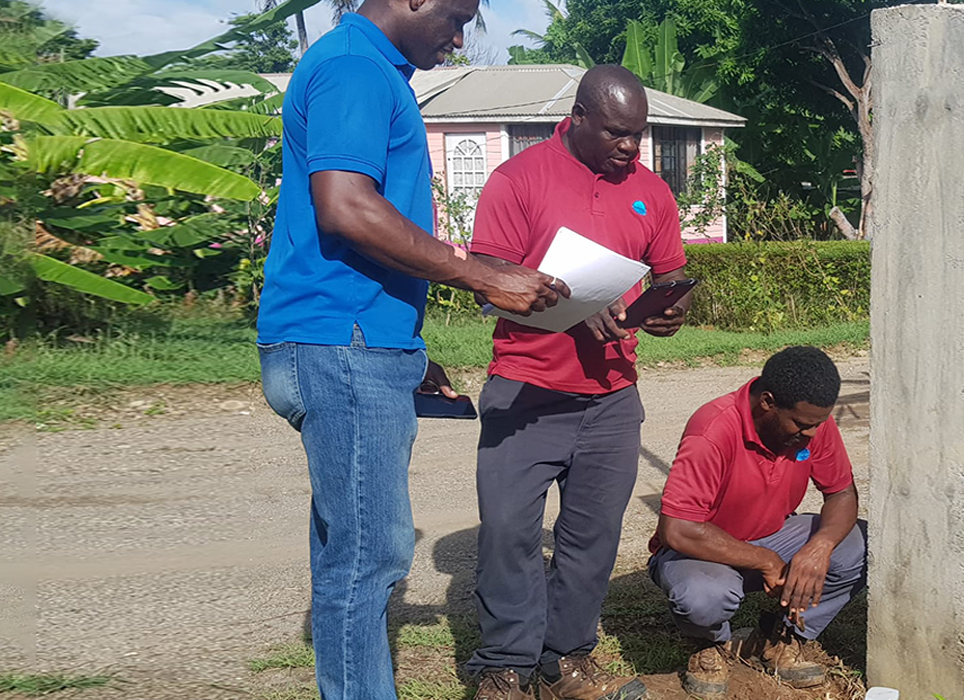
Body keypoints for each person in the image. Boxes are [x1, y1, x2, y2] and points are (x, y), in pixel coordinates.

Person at [254, 1, 564, 698]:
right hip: (340, 343)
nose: (460, 38)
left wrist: (408, 352)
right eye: (455, 17)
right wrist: (479, 270)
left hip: (351, 339)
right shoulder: (355, 69)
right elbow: (346, 206)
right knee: (369, 558)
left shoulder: (359, 66)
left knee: (348, 549)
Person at [460, 65, 691, 700]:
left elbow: (669, 274)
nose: (630, 148)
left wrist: (670, 311)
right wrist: (570, 303)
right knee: (508, 531)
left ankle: (568, 657)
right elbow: (489, 278)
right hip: (526, 387)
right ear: (580, 117)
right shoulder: (519, 179)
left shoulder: (652, 191)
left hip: (613, 397)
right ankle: (506, 663)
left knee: (592, 537)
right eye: (617, 133)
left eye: (639, 135)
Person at [649, 346, 864, 700]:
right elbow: (679, 529)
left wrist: (819, 547)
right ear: (767, 402)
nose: (811, 434)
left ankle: (781, 640)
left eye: (818, 424)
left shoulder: (811, 424)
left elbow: (841, 494)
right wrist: (765, 560)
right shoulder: (713, 429)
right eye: (801, 424)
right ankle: (711, 646)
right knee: (704, 597)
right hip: (701, 551)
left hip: (772, 535)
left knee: (857, 545)